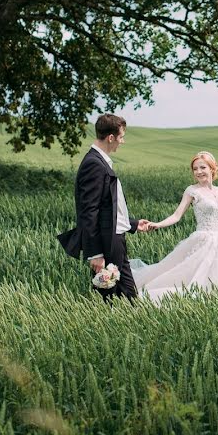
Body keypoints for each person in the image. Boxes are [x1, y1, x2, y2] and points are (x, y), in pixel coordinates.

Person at [58, 114, 152, 301]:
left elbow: (108, 208)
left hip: (115, 239)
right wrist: (95, 253)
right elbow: (89, 212)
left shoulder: (99, 161)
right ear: (111, 137)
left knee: (128, 297)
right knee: (110, 298)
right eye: (121, 137)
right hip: (105, 243)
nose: (122, 142)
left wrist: (133, 224)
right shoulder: (94, 164)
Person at [131, 151, 218, 303]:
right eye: (195, 169)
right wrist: (158, 224)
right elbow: (176, 216)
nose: (198, 172)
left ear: (212, 168)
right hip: (202, 242)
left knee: (212, 284)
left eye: (202, 167)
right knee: (190, 280)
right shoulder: (192, 191)